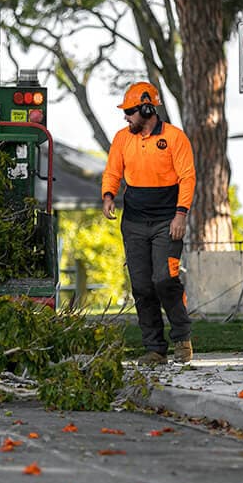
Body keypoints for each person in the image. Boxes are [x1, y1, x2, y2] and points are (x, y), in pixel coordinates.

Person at [101, 82, 196, 366]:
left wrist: (181, 214)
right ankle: (155, 349)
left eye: (130, 111)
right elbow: (112, 171)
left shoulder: (175, 138)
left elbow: (188, 177)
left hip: (167, 222)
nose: (125, 116)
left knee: (164, 279)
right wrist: (108, 195)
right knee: (142, 286)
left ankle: (182, 337)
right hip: (134, 223)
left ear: (146, 108)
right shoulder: (122, 139)